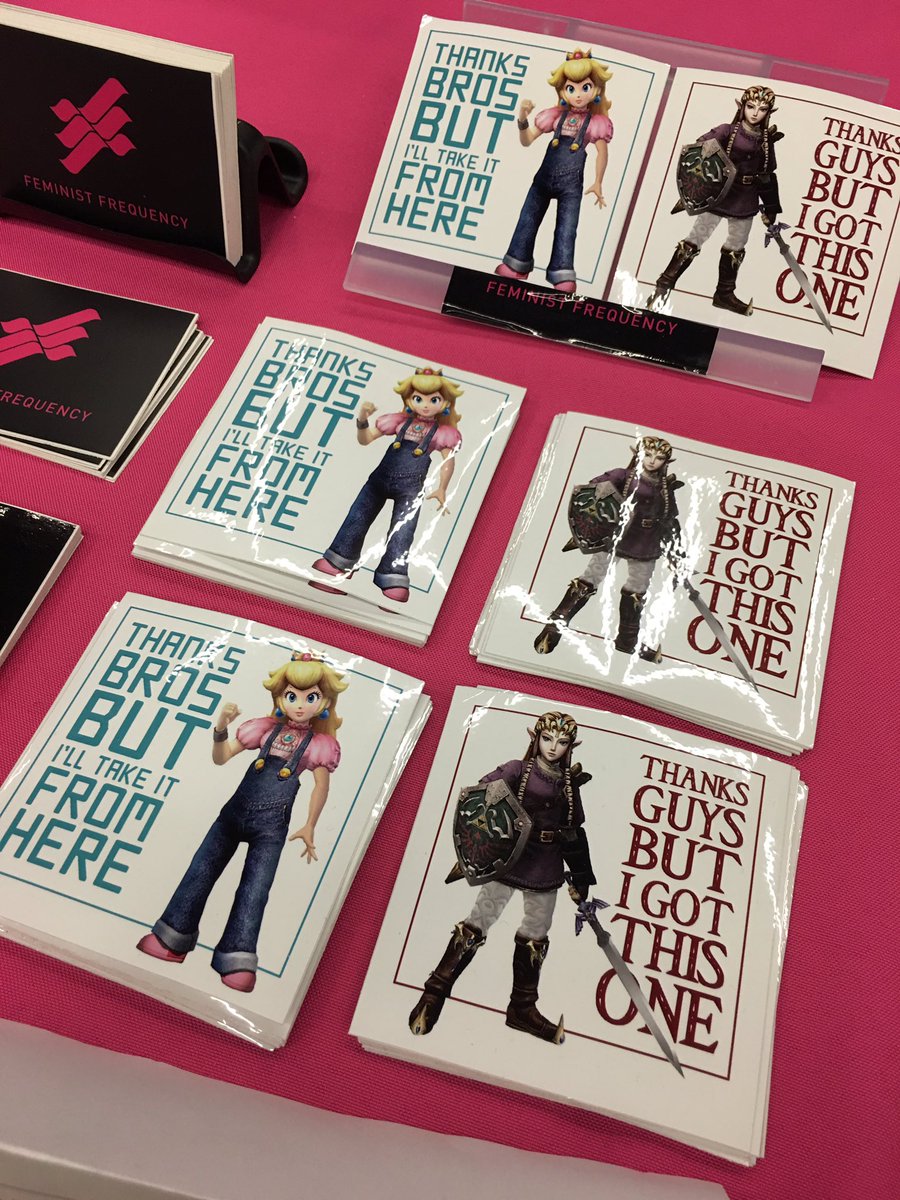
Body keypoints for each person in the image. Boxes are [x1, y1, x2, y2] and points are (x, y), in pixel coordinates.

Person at [136, 651, 347, 993]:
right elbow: (221, 758)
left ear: (323, 703)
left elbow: (321, 786)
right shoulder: (263, 730)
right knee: (201, 870)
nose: (299, 705)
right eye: (291, 696)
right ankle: (172, 936)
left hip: (271, 827)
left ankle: (236, 956)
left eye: (310, 698)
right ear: (279, 698)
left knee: (254, 890)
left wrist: (310, 824)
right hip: (233, 813)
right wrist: (221, 728)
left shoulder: (319, 745)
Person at [408, 712, 595, 1045]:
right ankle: (434, 992)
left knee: (536, 932)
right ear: (535, 738)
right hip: (508, 858)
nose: (553, 747)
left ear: (571, 746)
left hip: (546, 864)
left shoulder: (569, 783)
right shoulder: (517, 770)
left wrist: (581, 876)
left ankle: (522, 1008)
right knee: (479, 920)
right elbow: (480, 799)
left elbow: (573, 831)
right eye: (547, 739)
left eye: (562, 742)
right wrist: (479, 845)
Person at [311, 367, 463, 603]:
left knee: (403, 530)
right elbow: (365, 440)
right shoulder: (398, 422)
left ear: (444, 403)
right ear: (409, 400)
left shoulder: (443, 433)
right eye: (418, 398)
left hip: (410, 488)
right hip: (379, 479)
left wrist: (442, 488)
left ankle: (392, 576)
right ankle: (339, 560)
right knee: (358, 516)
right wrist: (362, 419)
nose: (425, 405)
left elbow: (448, 461)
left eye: (433, 400)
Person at [534, 436, 682, 659]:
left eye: (659, 457)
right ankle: (554, 627)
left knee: (637, 590)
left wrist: (677, 554)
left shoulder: (665, 486)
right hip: (615, 536)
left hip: (646, 542)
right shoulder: (622, 476)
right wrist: (594, 523)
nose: (652, 461)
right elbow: (592, 493)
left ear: (665, 461)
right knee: (590, 578)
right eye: (648, 455)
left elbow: (670, 520)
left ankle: (627, 642)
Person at [652, 85, 782, 315]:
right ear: (742, 106)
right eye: (750, 106)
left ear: (768, 112)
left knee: (736, 245)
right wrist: (696, 187)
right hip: (719, 194)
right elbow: (698, 152)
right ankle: (664, 285)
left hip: (746, 198)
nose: (755, 113)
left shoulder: (765, 139)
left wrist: (771, 207)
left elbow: (767, 174)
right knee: (696, 238)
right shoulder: (726, 131)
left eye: (762, 109)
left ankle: (724, 294)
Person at [495, 49, 613, 293]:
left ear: (596, 90)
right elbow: (527, 140)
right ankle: (516, 263)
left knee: (567, 228)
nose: (578, 95)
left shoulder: (596, 123)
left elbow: (602, 153)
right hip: (543, 179)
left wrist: (598, 182)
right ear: (562, 91)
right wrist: (522, 118)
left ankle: (562, 273)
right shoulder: (554, 117)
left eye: (585, 88)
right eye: (571, 88)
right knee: (528, 218)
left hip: (571, 185)